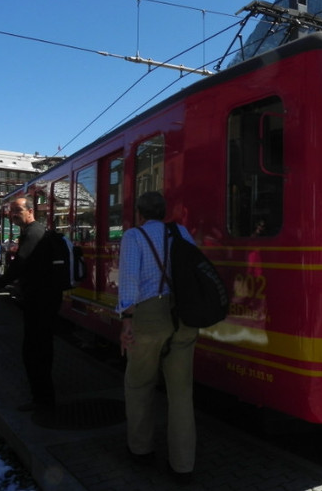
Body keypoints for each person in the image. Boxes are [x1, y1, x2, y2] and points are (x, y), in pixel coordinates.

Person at [117, 191, 198, 482]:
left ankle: (141, 450)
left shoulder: (134, 237)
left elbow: (128, 281)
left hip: (149, 316)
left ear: (139, 213)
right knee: (181, 394)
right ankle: (183, 465)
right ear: (164, 212)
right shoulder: (182, 233)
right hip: (184, 316)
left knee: (139, 384)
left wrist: (127, 321)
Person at [0, 196, 62, 417]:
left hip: (41, 301)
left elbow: (20, 264)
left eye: (17, 210)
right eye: (11, 211)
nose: (12, 214)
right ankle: (43, 397)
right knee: (37, 349)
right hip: (41, 300)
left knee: (35, 351)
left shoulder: (33, 233)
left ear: (30, 211)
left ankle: (44, 400)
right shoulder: (34, 232)